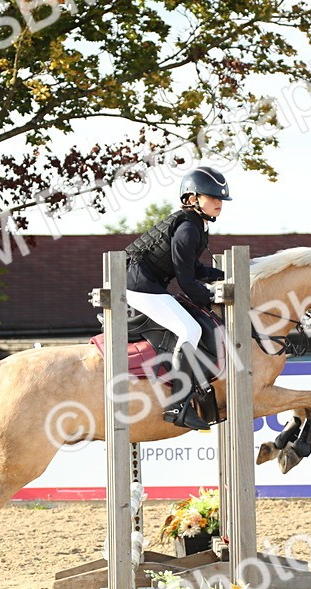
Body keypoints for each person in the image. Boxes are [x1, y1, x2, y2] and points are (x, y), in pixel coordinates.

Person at [124, 166, 231, 431]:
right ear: (192, 198)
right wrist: (209, 295)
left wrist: (225, 275)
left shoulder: (196, 225)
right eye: (212, 197)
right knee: (189, 328)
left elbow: (193, 269)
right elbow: (185, 280)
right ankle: (177, 403)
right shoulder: (188, 228)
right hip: (139, 285)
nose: (218, 202)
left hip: (147, 283)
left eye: (221, 198)